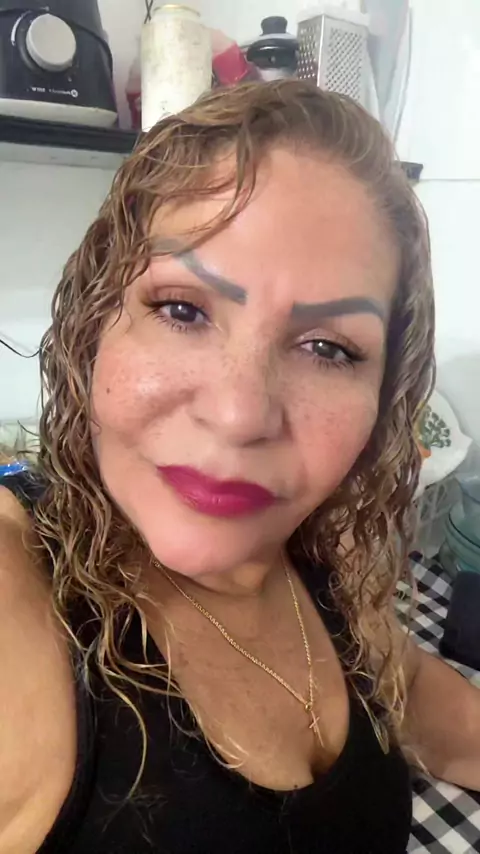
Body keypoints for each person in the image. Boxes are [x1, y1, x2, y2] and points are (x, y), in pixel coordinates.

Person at [0, 80, 479, 854]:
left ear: (382, 400)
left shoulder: (330, 557)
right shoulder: (17, 589)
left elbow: (423, 706)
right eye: (181, 309)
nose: (239, 414)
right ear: (94, 324)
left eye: (328, 349)